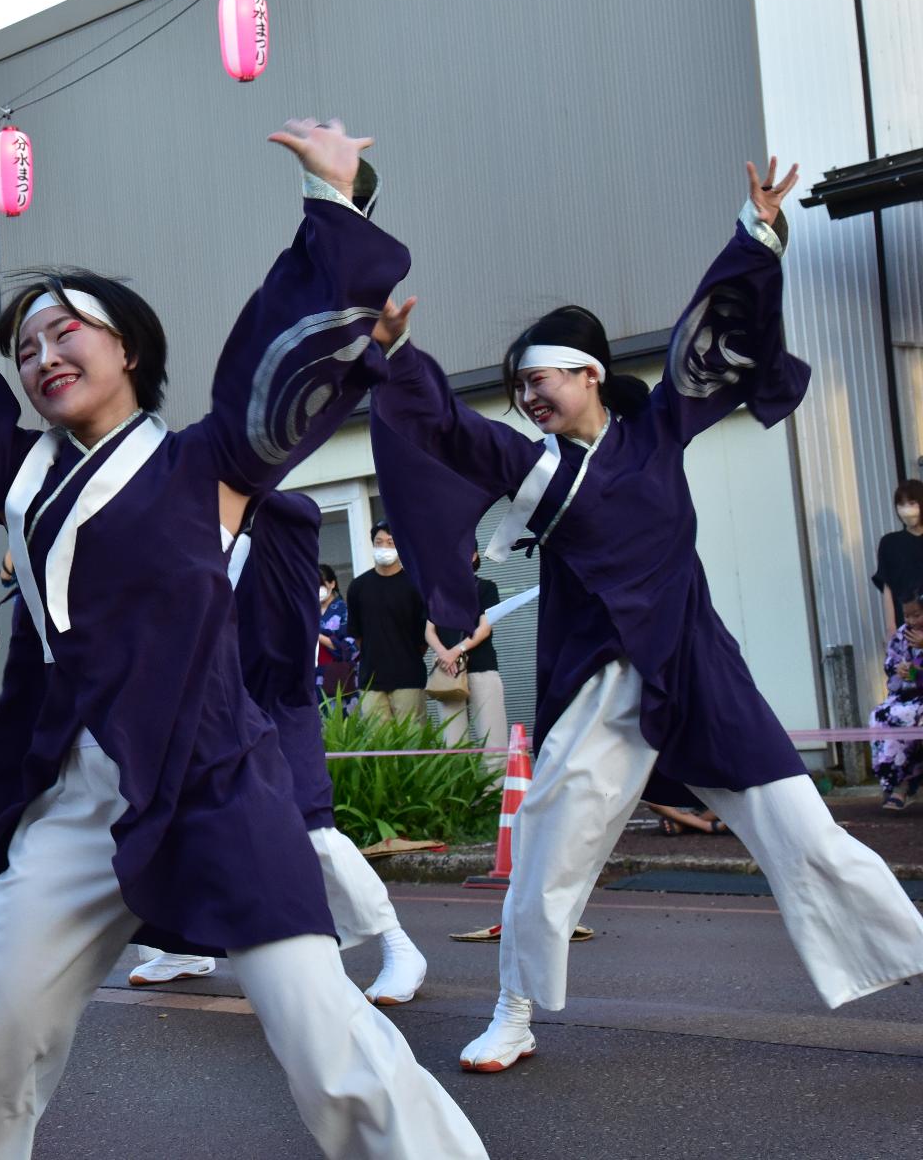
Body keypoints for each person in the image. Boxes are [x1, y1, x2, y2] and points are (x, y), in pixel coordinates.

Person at [0, 122, 487, 1159]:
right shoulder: (15, 472)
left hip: (212, 781)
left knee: (324, 1038)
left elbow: (273, 359)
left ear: (127, 347)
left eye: (66, 331)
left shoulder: (208, 460)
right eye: (25, 347)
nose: (41, 355)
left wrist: (331, 198)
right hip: (74, 794)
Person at [368, 156, 923, 1076]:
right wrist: (392, 353)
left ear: (589, 373)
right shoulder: (537, 469)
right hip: (602, 678)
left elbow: (713, 330)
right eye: (520, 390)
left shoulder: (661, 427)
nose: (530, 399)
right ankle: (514, 1008)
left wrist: (758, 234)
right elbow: (449, 430)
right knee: (547, 841)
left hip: (700, 667)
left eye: (542, 380)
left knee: (807, 830)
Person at [131, 493, 427, 1006]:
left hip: (272, 701)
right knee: (178, 826)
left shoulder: (281, 516)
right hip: (203, 705)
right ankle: (181, 946)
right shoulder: (190, 525)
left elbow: (288, 631)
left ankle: (397, 944)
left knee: (311, 827)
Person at [426, 550, 509, 752]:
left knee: (492, 739)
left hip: (482, 668)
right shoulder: (436, 592)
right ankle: (459, 785)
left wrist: (455, 651)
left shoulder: (487, 588)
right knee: (452, 742)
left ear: (474, 556)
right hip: (447, 671)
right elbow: (429, 630)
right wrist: (444, 653)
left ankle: (496, 785)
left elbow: (484, 628)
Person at [346, 523, 426, 719]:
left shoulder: (415, 585)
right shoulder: (358, 587)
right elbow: (357, 634)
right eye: (379, 542)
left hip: (409, 677)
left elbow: (423, 638)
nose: (384, 547)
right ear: (372, 545)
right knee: (380, 745)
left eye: (390, 542)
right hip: (371, 679)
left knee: (412, 743)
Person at [871, 592, 923, 810]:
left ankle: (905, 785)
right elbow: (890, 665)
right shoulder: (902, 636)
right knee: (881, 715)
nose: (911, 621)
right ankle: (893, 783)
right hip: (907, 695)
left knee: (910, 716)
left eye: (917, 615)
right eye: (907, 616)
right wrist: (900, 669)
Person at [874, 480, 923, 635]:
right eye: (901, 505)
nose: (906, 510)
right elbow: (887, 586)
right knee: (911, 661)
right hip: (906, 626)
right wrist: (891, 628)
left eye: (912, 503)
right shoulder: (889, 543)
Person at [315, 563, 356, 708]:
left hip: (337, 674)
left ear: (332, 584)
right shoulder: (309, 611)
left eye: (321, 584)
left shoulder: (344, 610)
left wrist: (317, 636)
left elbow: (348, 647)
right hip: (312, 677)